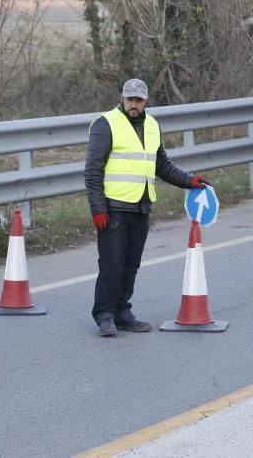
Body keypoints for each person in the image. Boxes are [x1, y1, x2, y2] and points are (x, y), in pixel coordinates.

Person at [85, 78, 210, 338]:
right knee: (112, 264)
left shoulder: (152, 125)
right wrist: (98, 208)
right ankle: (105, 315)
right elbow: (93, 170)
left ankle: (122, 312)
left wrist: (189, 180)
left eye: (138, 100)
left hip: (141, 206)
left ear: (146, 101)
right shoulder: (105, 124)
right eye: (129, 99)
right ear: (122, 98)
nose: (134, 104)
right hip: (114, 207)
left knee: (131, 265)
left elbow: (161, 164)